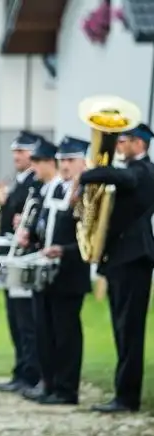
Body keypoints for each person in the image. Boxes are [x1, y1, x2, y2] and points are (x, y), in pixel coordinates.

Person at [77, 123, 154, 413]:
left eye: (126, 140)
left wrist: (86, 173)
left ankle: (127, 397)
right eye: (120, 140)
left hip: (135, 259)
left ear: (141, 144)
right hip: (121, 259)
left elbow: (124, 178)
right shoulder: (130, 170)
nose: (121, 145)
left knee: (130, 330)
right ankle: (123, 393)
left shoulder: (144, 171)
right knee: (122, 329)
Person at [21, 136, 92, 404]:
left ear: (84, 161)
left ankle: (66, 388)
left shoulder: (87, 192)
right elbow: (45, 224)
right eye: (62, 160)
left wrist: (64, 250)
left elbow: (91, 236)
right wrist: (31, 235)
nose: (65, 165)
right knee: (44, 331)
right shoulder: (53, 188)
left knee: (66, 334)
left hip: (70, 273)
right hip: (46, 271)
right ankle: (48, 382)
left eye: (71, 160)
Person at [0, 130, 42, 395]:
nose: (16, 156)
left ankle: (30, 372)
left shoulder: (35, 182)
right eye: (15, 151)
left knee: (25, 321)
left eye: (22, 151)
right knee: (15, 318)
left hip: (25, 257)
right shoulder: (19, 181)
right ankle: (20, 369)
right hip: (12, 257)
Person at [14, 138, 63, 400]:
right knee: (41, 329)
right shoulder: (43, 190)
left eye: (38, 162)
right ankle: (45, 381)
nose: (34, 168)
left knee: (57, 332)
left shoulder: (57, 189)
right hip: (41, 266)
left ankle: (57, 384)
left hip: (59, 270)